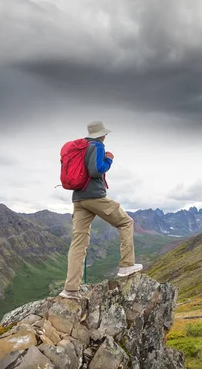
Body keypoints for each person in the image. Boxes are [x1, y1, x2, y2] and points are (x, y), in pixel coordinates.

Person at [59, 121, 143, 300]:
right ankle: (127, 265)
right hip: (95, 196)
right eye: (105, 134)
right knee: (126, 222)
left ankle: (70, 289)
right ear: (101, 135)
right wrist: (109, 158)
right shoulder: (97, 146)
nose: (105, 137)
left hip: (79, 199)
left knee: (78, 242)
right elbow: (96, 170)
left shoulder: (79, 147)